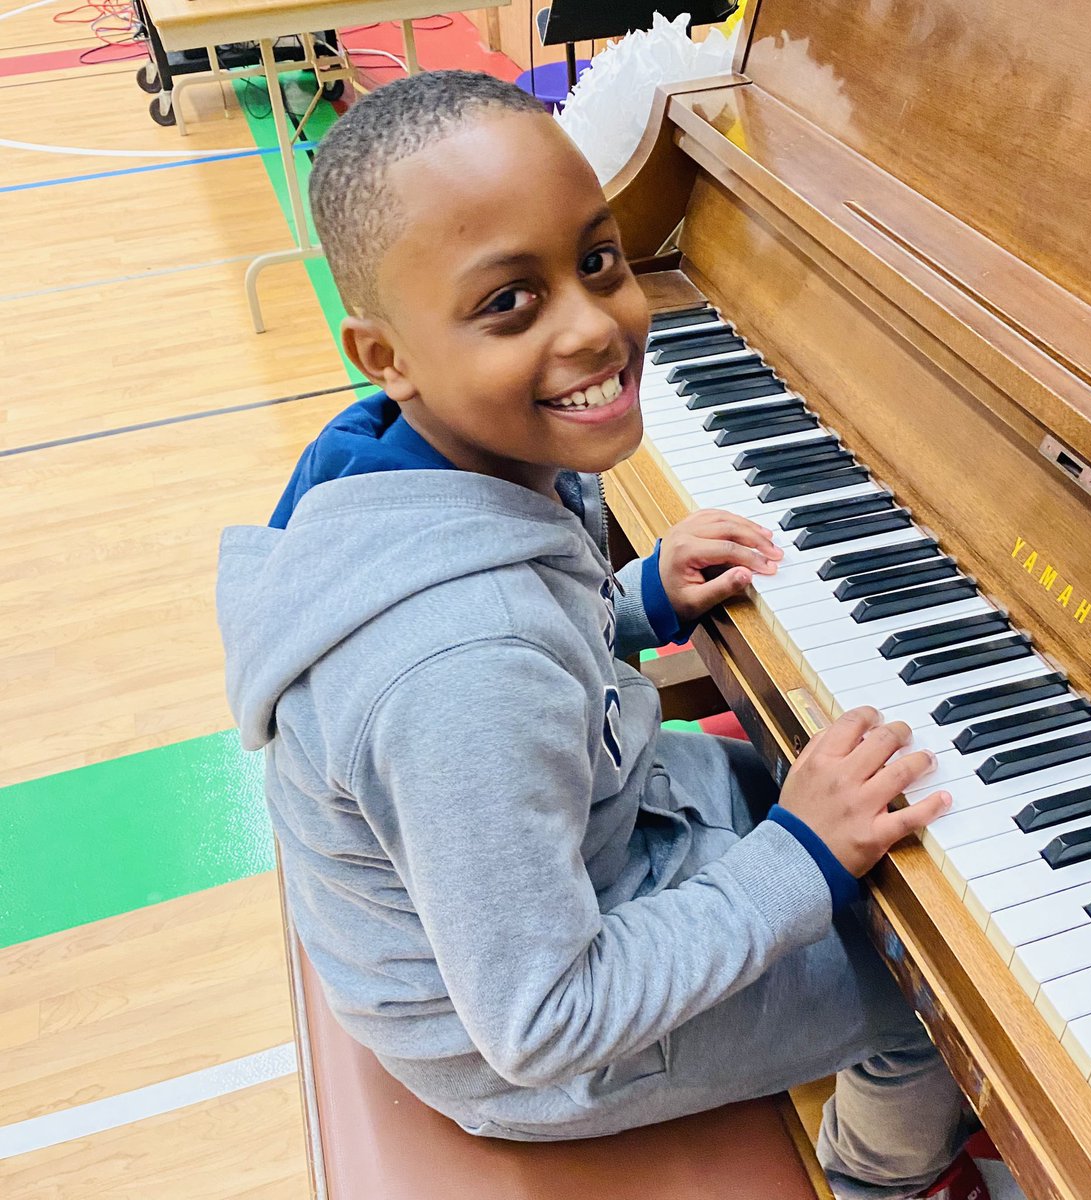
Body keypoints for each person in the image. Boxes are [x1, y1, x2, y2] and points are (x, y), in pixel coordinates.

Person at [216, 70, 991, 1200]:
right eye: (507, 304)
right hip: (536, 1038)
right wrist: (797, 859)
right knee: (935, 989)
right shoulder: (458, 671)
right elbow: (544, 1016)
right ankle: (887, 1179)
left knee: (837, 781)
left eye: (597, 260)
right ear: (386, 355)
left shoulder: (416, 447)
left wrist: (638, 600)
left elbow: (535, 629)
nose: (594, 327)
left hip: (596, 836)